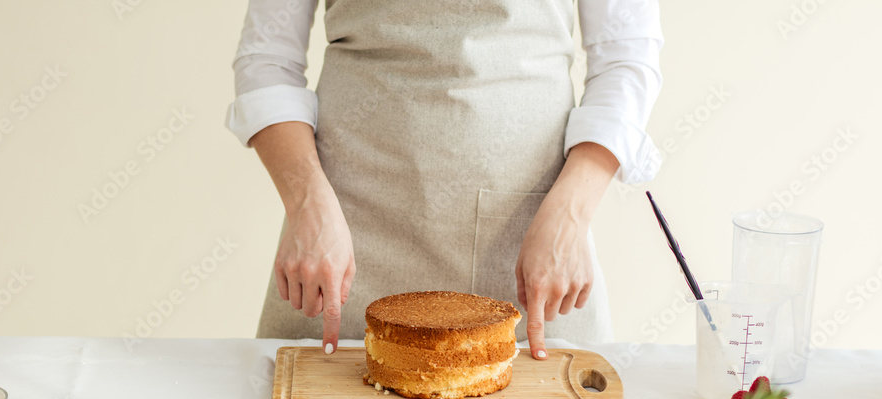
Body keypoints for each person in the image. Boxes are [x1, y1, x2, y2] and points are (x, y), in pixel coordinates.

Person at [230, 0, 662, 359]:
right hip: (340, 233)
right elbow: (267, 59)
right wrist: (306, 203)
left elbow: (626, 60)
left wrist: (571, 214)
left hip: (532, 236)